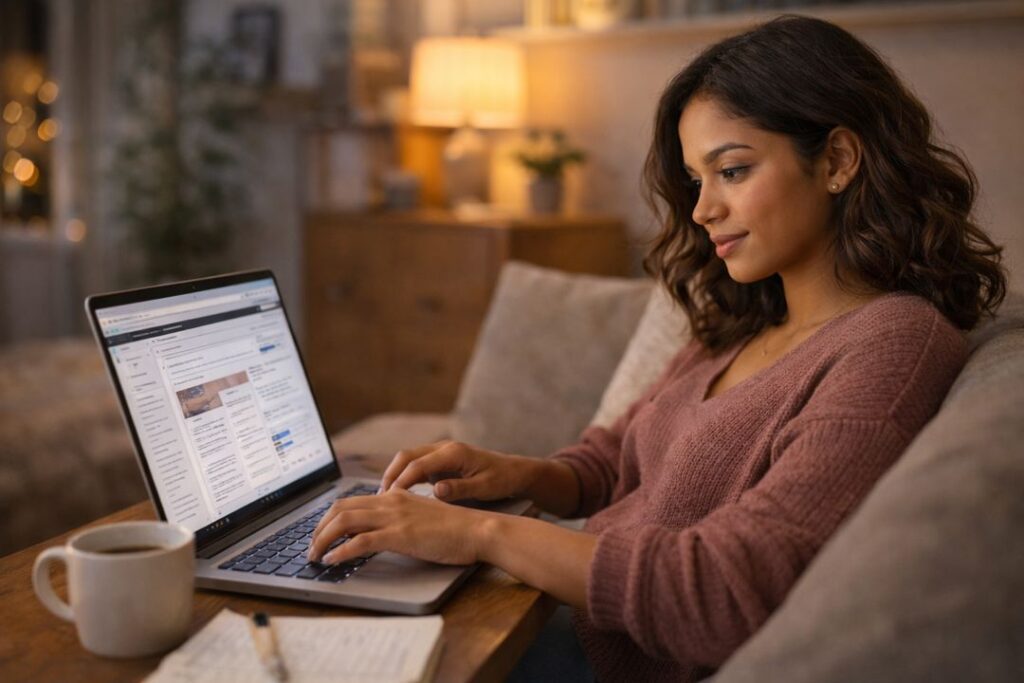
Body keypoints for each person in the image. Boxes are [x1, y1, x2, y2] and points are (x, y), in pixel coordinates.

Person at [307, 15, 1006, 682]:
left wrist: (480, 534)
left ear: (838, 160)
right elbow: (614, 460)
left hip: (600, 658)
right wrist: (513, 472)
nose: (702, 210)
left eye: (731, 170)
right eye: (697, 180)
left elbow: (727, 590)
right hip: (551, 611)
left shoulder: (893, 342)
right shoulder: (748, 320)